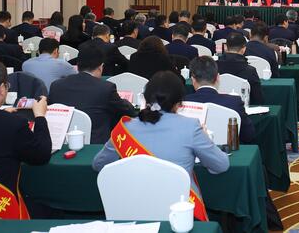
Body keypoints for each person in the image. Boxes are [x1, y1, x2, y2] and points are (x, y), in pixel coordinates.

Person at [92, 71, 229, 219]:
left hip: (132, 212)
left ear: (145, 98)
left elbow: (99, 164)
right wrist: (206, 139)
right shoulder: (190, 127)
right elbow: (221, 165)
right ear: (179, 103)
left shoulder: (125, 128)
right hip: (178, 213)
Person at [0, 60, 51, 218]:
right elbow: (41, 154)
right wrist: (40, 116)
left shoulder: (7, 121)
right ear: (1, 88)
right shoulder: (13, 124)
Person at [49, 47, 135, 144]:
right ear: (100, 67)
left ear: (77, 66)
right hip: (96, 144)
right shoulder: (106, 88)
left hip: (61, 143)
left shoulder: (56, 85)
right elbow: (127, 111)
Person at [185, 57, 256, 143]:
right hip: (228, 149)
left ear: (193, 80)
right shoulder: (234, 102)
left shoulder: (183, 103)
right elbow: (248, 135)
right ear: (218, 78)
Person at [216, 33, 263, 104]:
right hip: (243, 108)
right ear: (244, 49)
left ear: (225, 47)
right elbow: (258, 99)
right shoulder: (250, 71)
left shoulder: (213, 68)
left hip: (217, 106)